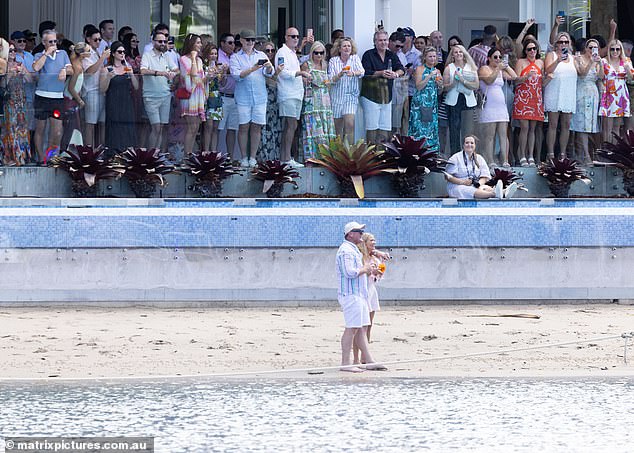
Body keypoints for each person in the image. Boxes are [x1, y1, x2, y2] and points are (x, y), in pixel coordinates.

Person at [335, 221, 386, 373]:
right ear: (350, 234)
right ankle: (345, 363)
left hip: (359, 294)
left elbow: (368, 256)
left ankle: (368, 360)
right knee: (352, 328)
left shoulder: (353, 250)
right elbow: (349, 272)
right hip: (351, 294)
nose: (361, 234)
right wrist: (365, 268)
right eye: (359, 231)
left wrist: (370, 268)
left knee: (361, 328)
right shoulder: (346, 251)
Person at [230, 28, 274, 167]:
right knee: (243, 127)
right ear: (241, 41)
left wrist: (268, 68)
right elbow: (237, 75)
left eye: (253, 40)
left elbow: (270, 73)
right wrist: (254, 68)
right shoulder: (235, 57)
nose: (250, 42)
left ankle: (253, 158)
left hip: (260, 97)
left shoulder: (261, 54)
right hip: (243, 98)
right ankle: (244, 157)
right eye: (248, 39)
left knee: (257, 127)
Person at [32, 29, 73, 164]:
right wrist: (46, 54)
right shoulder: (39, 54)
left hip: (57, 97)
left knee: (57, 131)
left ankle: (51, 157)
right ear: (44, 42)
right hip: (42, 96)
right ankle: (41, 158)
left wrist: (64, 70)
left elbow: (71, 69)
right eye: (50, 42)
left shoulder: (63, 54)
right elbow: (36, 68)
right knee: (40, 129)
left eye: (55, 41)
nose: (54, 44)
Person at [360, 30, 404, 145]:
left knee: (385, 126)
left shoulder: (391, 55)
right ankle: (371, 155)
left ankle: (382, 154)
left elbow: (401, 69)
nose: (383, 42)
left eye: (385, 40)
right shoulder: (368, 54)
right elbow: (366, 72)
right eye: (380, 40)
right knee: (372, 126)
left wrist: (396, 74)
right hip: (371, 95)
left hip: (387, 96)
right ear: (375, 42)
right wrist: (381, 73)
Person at [275, 27, 311, 168]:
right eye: (292, 36)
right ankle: (286, 158)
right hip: (288, 94)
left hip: (296, 93)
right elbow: (283, 73)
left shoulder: (292, 53)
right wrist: (300, 73)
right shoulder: (282, 52)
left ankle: (286, 157)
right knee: (290, 125)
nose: (295, 38)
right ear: (286, 37)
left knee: (292, 126)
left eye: (297, 36)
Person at [478, 47, 517, 167]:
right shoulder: (484, 68)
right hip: (489, 105)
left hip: (501, 106)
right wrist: (498, 69)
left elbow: (515, 76)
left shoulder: (500, 70)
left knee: (503, 134)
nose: (498, 59)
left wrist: (507, 66)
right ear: (489, 58)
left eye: (500, 57)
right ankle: (490, 160)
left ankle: (505, 159)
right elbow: (489, 81)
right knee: (490, 135)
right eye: (495, 57)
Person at [445, 135, 517, 199]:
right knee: (468, 190)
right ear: (463, 145)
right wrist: (463, 182)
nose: (469, 145)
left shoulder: (479, 158)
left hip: (474, 185)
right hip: (457, 186)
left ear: (475, 145)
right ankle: (494, 194)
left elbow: (485, 176)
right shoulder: (455, 158)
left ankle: (504, 192)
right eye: (467, 143)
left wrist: (478, 184)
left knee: (484, 187)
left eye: (472, 143)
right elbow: (448, 176)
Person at [140, 31, 178, 150]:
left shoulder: (167, 56)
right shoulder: (147, 55)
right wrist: (160, 73)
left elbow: (177, 70)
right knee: (156, 127)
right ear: (153, 42)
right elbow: (143, 71)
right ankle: (151, 156)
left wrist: (173, 74)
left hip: (165, 95)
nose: (162, 43)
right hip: (151, 96)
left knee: (161, 127)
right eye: (160, 41)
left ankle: (156, 155)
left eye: (164, 41)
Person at [544, 32, 577, 160]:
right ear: (556, 44)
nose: (563, 44)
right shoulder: (551, 55)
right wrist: (558, 60)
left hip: (568, 93)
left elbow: (581, 72)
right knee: (553, 124)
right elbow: (548, 70)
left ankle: (562, 153)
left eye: (566, 42)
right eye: (560, 42)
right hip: (554, 91)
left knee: (566, 124)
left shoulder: (573, 58)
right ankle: (550, 153)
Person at [100, 40, 138, 152]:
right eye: (119, 52)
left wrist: (131, 74)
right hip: (113, 101)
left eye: (124, 52)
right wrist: (108, 78)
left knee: (127, 127)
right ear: (113, 53)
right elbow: (102, 89)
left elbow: (136, 86)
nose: (122, 54)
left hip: (126, 101)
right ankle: (113, 153)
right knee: (114, 127)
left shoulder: (127, 68)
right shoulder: (107, 69)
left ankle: (127, 152)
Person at [300, 41, 336, 160]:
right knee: (313, 128)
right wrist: (308, 80)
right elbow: (302, 81)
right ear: (312, 53)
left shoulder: (325, 65)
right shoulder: (307, 65)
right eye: (316, 53)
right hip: (312, 100)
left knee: (325, 128)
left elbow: (329, 82)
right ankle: (312, 157)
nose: (319, 56)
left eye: (321, 53)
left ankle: (325, 157)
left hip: (325, 100)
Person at [513, 38, 544, 167]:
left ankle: (531, 155)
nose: (532, 51)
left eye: (534, 49)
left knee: (533, 128)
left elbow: (543, 81)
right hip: (523, 97)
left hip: (535, 97)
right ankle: (522, 155)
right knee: (524, 128)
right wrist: (526, 77)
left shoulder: (541, 63)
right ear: (525, 51)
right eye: (529, 49)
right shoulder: (521, 62)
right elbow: (515, 80)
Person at [443, 44, 479, 154]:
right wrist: (453, 82)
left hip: (468, 101)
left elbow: (476, 86)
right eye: (456, 52)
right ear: (452, 55)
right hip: (453, 101)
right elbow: (444, 88)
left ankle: (470, 154)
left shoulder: (471, 66)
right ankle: (455, 154)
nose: (458, 54)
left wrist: (463, 80)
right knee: (454, 130)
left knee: (469, 130)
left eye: (460, 52)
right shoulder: (449, 68)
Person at [328, 36, 364, 144]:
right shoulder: (333, 61)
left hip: (350, 96)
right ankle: (337, 155)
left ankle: (350, 154)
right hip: (336, 97)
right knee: (337, 129)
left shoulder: (355, 58)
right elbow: (331, 79)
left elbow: (362, 71)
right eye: (344, 46)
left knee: (350, 124)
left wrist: (353, 73)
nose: (347, 48)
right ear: (339, 49)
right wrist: (340, 74)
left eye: (349, 46)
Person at [571, 39, 601, 165]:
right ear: (586, 48)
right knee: (582, 125)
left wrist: (601, 64)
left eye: (595, 47)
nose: (592, 50)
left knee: (591, 126)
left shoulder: (598, 60)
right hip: (581, 92)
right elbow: (582, 74)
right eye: (590, 47)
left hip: (593, 92)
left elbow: (601, 76)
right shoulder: (579, 58)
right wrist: (591, 62)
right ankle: (585, 155)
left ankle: (587, 153)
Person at [2, 42, 32, 165]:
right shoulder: (3, 66)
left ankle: (23, 157)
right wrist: (9, 75)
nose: (13, 53)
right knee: (10, 129)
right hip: (10, 101)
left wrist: (23, 73)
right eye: (10, 51)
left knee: (23, 129)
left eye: (14, 51)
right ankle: (11, 157)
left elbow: (30, 80)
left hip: (21, 101)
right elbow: (2, 85)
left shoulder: (20, 64)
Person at [599, 39, 632, 145]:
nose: (615, 51)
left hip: (621, 94)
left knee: (617, 126)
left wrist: (627, 69)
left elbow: (631, 78)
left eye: (617, 49)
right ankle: (606, 151)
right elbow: (600, 77)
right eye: (612, 49)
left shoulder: (626, 61)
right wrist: (599, 65)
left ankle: (615, 151)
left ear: (621, 50)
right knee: (607, 126)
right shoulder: (604, 61)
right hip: (609, 94)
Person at [408, 46, 442, 149]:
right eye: (430, 56)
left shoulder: (437, 71)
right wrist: (429, 76)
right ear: (425, 57)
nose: (432, 59)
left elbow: (439, 91)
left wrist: (440, 84)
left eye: (434, 56)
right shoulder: (420, 69)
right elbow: (418, 86)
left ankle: (431, 152)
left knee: (431, 128)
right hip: (420, 103)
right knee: (420, 128)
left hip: (432, 103)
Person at [179, 33, 206, 157]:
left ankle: (191, 153)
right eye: (198, 42)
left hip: (199, 95)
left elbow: (201, 79)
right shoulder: (184, 59)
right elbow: (194, 78)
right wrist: (194, 58)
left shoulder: (200, 60)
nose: (200, 45)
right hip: (190, 95)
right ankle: (187, 155)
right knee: (191, 126)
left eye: (200, 42)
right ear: (191, 44)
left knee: (196, 127)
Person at [82, 26, 109, 147]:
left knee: (102, 123)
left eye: (99, 39)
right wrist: (103, 58)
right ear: (88, 39)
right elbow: (89, 71)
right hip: (91, 91)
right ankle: (88, 153)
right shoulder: (86, 53)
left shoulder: (97, 52)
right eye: (95, 40)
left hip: (101, 90)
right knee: (90, 124)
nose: (98, 42)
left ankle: (100, 151)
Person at [257, 42, 283, 161]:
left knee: (276, 128)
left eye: (273, 50)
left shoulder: (277, 63)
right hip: (265, 100)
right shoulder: (261, 64)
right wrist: (276, 73)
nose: (270, 53)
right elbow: (270, 81)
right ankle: (264, 156)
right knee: (265, 128)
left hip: (277, 99)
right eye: (267, 51)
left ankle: (275, 156)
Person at [61, 42, 89, 151]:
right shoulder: (76, 67)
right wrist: (80, 100)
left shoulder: (78, 65)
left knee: (74, 127)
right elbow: (71, 88)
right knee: (71, 127)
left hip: (73, 99)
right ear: (82, 54)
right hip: (69, 100)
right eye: (88, 51)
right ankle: (67, 151)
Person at [217, 33, 239, 159]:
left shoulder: (234, 57)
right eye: (230, 43)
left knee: (232, 128)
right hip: (222, 96)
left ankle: (230, 158)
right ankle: (214, 157)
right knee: (217, 129)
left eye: (233, 43)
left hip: (235, 97)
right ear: (222, 43)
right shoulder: (218, 56)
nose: (233, 45)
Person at [202, 42, 225, 152]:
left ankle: (214, 152)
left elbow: (222, 84)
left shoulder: (217, 66)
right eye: (211, 53)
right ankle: (206, 151)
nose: (214, 56)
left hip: (217, 98)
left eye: (215, 54)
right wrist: (210, 76)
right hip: (207, 97)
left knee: (215, 127)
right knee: (208, 127)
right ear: (207, 54)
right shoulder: (203, 66)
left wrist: (223, 73)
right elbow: (203, 81)